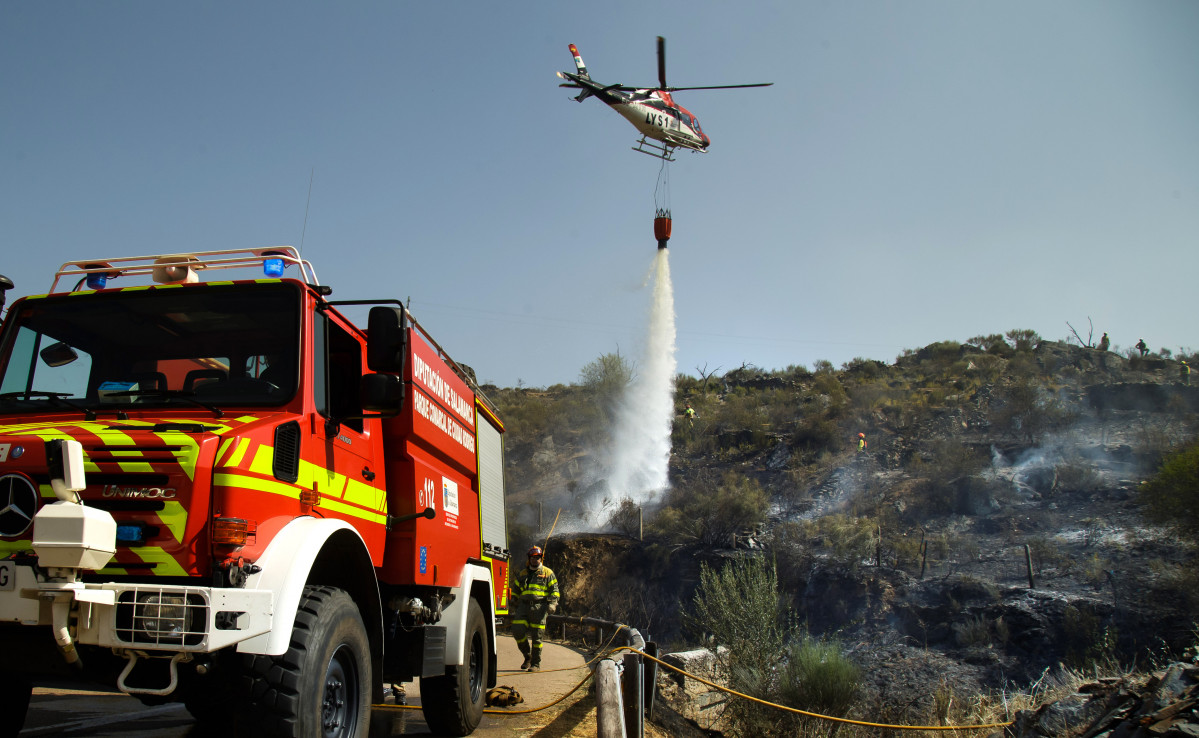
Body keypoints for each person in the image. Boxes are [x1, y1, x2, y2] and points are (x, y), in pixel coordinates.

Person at [511, 545, 559, 671]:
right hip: (523, 607)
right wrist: (513, 599)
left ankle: (535, 664)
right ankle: (528, 656)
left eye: (537, 557)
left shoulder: (548, 573)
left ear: (541, 558)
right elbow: (516, 588)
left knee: (537, 637)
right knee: (517, 631)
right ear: (529, 558)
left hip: (540, 608)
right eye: (532, 557)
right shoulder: (523, 573)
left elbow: (554, 590)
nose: (535, 560)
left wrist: (553, 604)